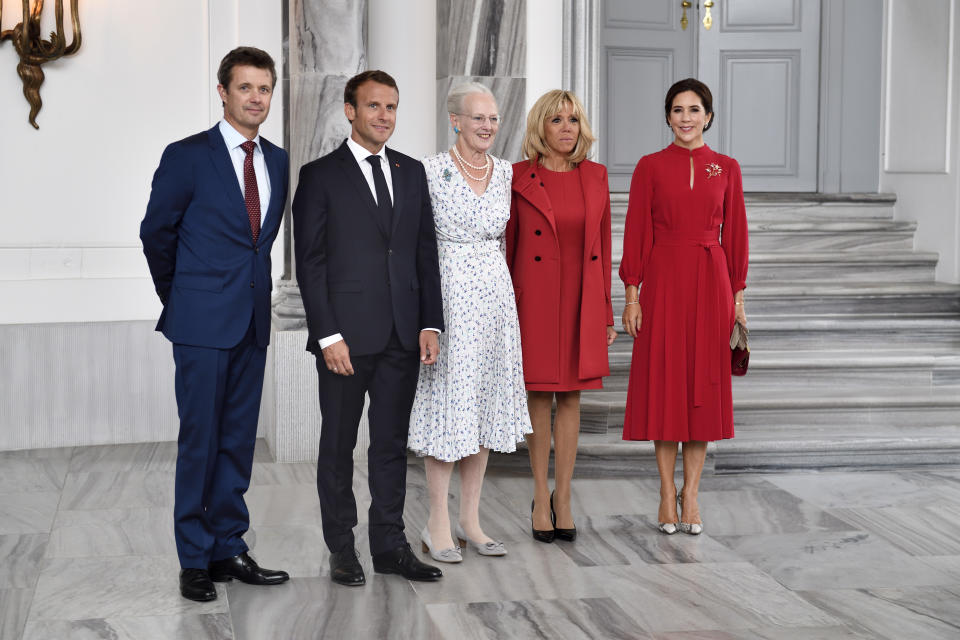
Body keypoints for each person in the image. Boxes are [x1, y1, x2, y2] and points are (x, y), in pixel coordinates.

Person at [140, 46, 290, 602]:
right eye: (246, 87)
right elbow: (156, 233)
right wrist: (182, 297)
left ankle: (228, 545)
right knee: (201, 440)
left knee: (237, 441)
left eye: (265, 88)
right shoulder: (187, 156)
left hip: (252, 321)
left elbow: (261, 242)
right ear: (223, 91)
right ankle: (193, 557)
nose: (256, 97)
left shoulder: (276, 159)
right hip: (201, 322)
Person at [292, 70, 445, 586]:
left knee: (389, 446)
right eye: (374, 106)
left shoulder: (411, 171)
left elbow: (425, 251)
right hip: (346, 340)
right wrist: (328, 335)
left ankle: (389, 545)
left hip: (404, 334)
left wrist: (430, 321)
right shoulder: (319, 175)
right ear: (349, 111)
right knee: (338, 444)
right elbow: (310, 262)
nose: (384, 116)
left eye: (392, 107)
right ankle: (342, 548)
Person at [619, 78, 749, 535]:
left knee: (702, 390)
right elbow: (636, 230)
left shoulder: (726, 168)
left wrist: (738, 300)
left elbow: (734, 237)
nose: (686, 118)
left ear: (708, 116)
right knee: (665, 388)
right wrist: (632, 294)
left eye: (695, 109)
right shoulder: (649, 167)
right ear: (668, 116)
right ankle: (663, 490)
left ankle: (691, 494)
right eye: (678, 110)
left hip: (711, 283)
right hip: (664, 281)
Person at [409, 82, 531, 563]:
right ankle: (436, 521)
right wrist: (426, 317)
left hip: (496, 301)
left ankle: (471, 520)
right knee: (448, 409)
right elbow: (418, 245)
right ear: (454, 120)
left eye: (494, 118)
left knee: (481, 406)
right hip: (448, 299)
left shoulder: (504, 172)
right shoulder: (430, 170)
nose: (487, 126)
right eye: (477, 117)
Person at [507, 90, 616, 544]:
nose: (567, 128)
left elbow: (605, 247)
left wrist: (607, 310)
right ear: (541, 128)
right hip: (533, 297)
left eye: (573, 119)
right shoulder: (516, 177)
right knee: (538, 396)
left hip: (581, 298)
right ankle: (538, 493)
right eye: (556, 120)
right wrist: (505, 309)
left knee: (572, 398)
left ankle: (564, 497)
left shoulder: (596, 176)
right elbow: (508, 248)